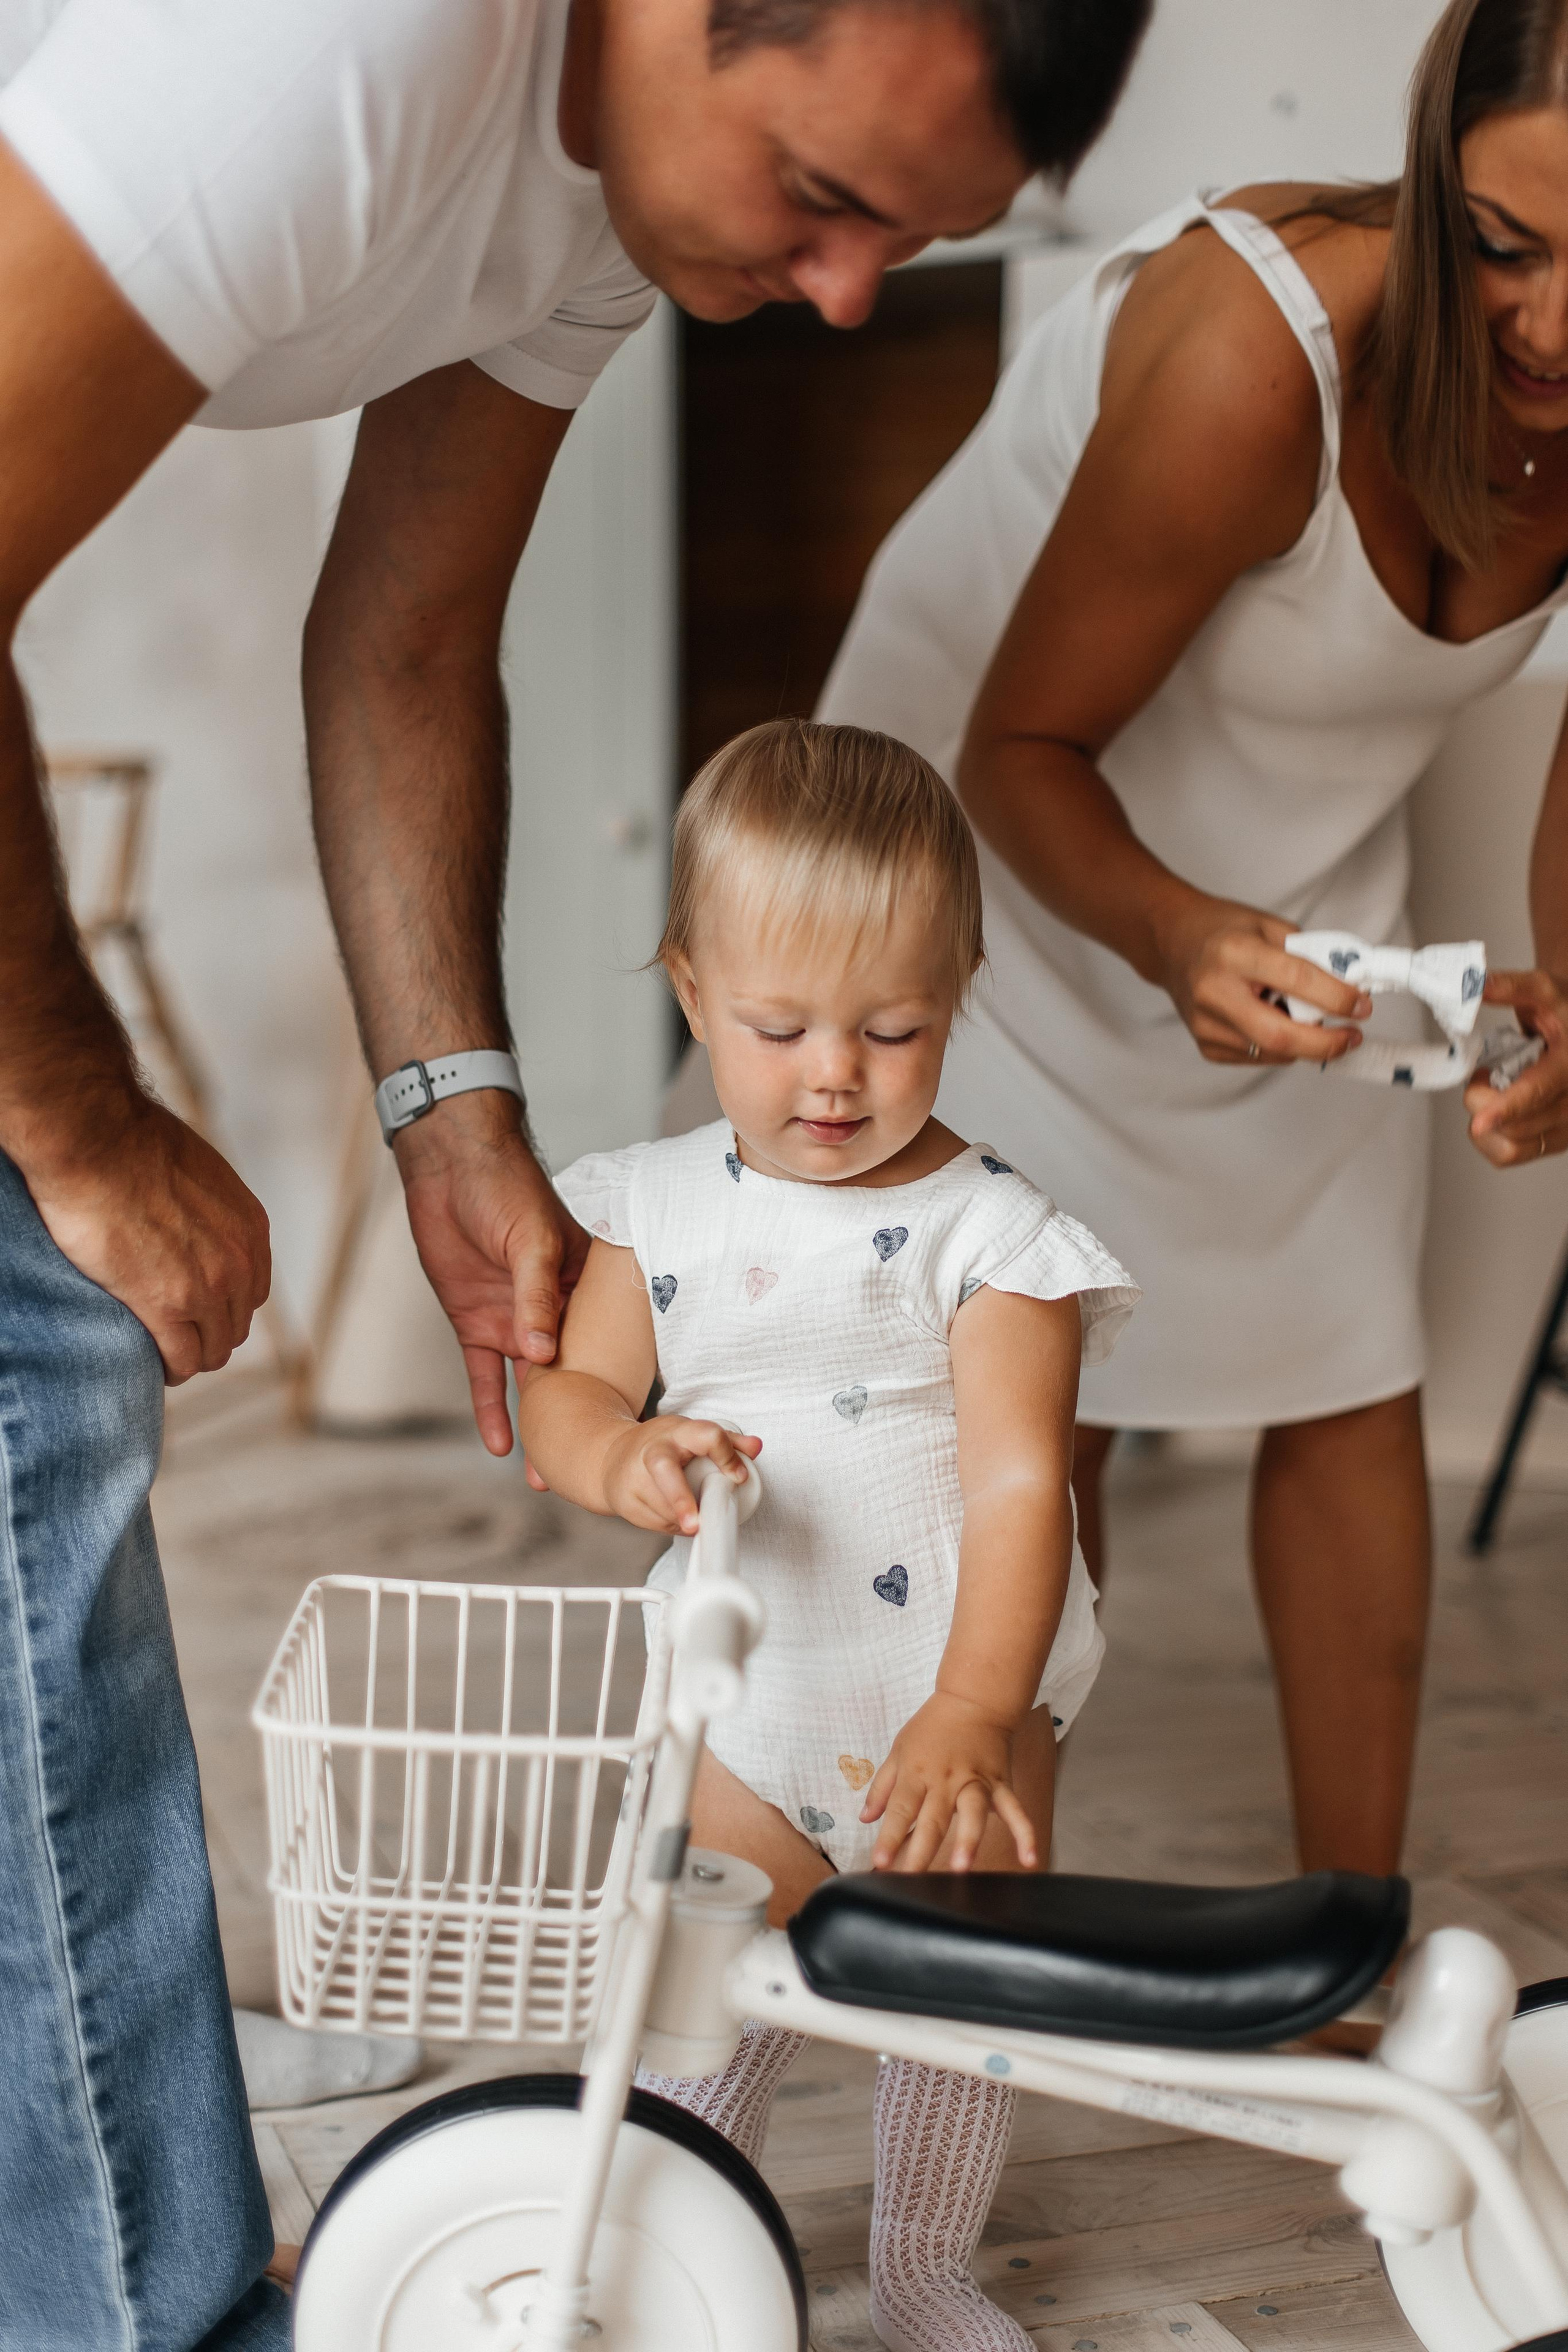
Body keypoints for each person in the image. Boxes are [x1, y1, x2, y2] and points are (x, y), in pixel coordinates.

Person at [0, 0, 1155, 2340]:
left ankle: (102, 2109)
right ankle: (131, 2266)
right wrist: (85, 1121)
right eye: (824, 198)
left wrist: (454, 1106)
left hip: (902, 1703)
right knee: (52, 1383)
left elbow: (411, 628)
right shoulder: (325, 60)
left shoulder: (615, 208)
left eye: (912, 241)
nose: (848, 298)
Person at [816, 0, 1568, 1912]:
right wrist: (1173, 933)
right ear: (1431, 177)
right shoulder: (1260, 350)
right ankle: (988, 1945)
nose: (1554, 331)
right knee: (1037, 1375)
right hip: (1000, 828)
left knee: (1349, 1354)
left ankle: (1346, 1946)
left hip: (1293, 857)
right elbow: (1017, 745)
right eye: (1505, 246)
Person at [520, 717, 1138, 2352]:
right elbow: (568, 1397)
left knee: (958, 2002)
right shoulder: (650, 1207)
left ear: (959, 993)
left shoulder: (992, 1236)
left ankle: (928, 2268)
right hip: (751, 1710)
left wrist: (975, 1710)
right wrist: (621, 1454)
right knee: (710, 1995)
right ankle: (677, 2239)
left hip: (952, 1699)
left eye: (893, 1028)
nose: (834, 1075)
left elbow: (1025, 1489)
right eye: (779, 1027)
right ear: (689, 989)